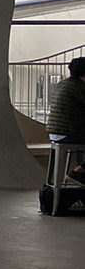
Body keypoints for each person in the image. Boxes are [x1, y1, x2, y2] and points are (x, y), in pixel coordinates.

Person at [47, 56, 85, 184]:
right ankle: (78, 172)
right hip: (69, 134)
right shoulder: (79, 87)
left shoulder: (62, 84)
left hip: (55, 134)